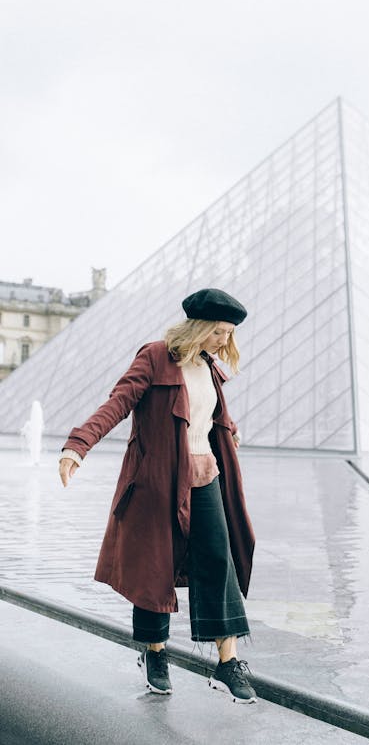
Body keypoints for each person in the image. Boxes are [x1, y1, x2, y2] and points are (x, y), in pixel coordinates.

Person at [59, 288, 257, 703]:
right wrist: (79, 444)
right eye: (219, 332)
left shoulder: (209, 365)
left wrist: (230, 428)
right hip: (157, 481)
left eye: (229, 334)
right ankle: (154, 653)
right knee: (155, 567)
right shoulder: (154, 356)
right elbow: (118, 403)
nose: (225, 340)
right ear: (200, 327)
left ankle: (227, 661)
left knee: (219, 561)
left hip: (205, 474)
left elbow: (210, 411)